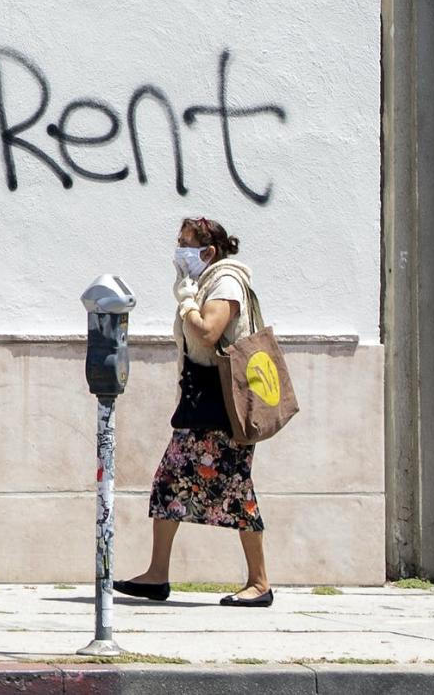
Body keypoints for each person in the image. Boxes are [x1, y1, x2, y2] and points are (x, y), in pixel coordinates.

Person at [113, 217, 273, 607]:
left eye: (186, 243)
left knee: (236, 490)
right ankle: (157, 575)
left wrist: (186, 302)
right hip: (200, 400)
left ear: (208, 251)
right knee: (170, 484)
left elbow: (207, 333)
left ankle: (260, 582)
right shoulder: (207, 281)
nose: (179, 250)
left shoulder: (226, 282)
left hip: (221, 406)